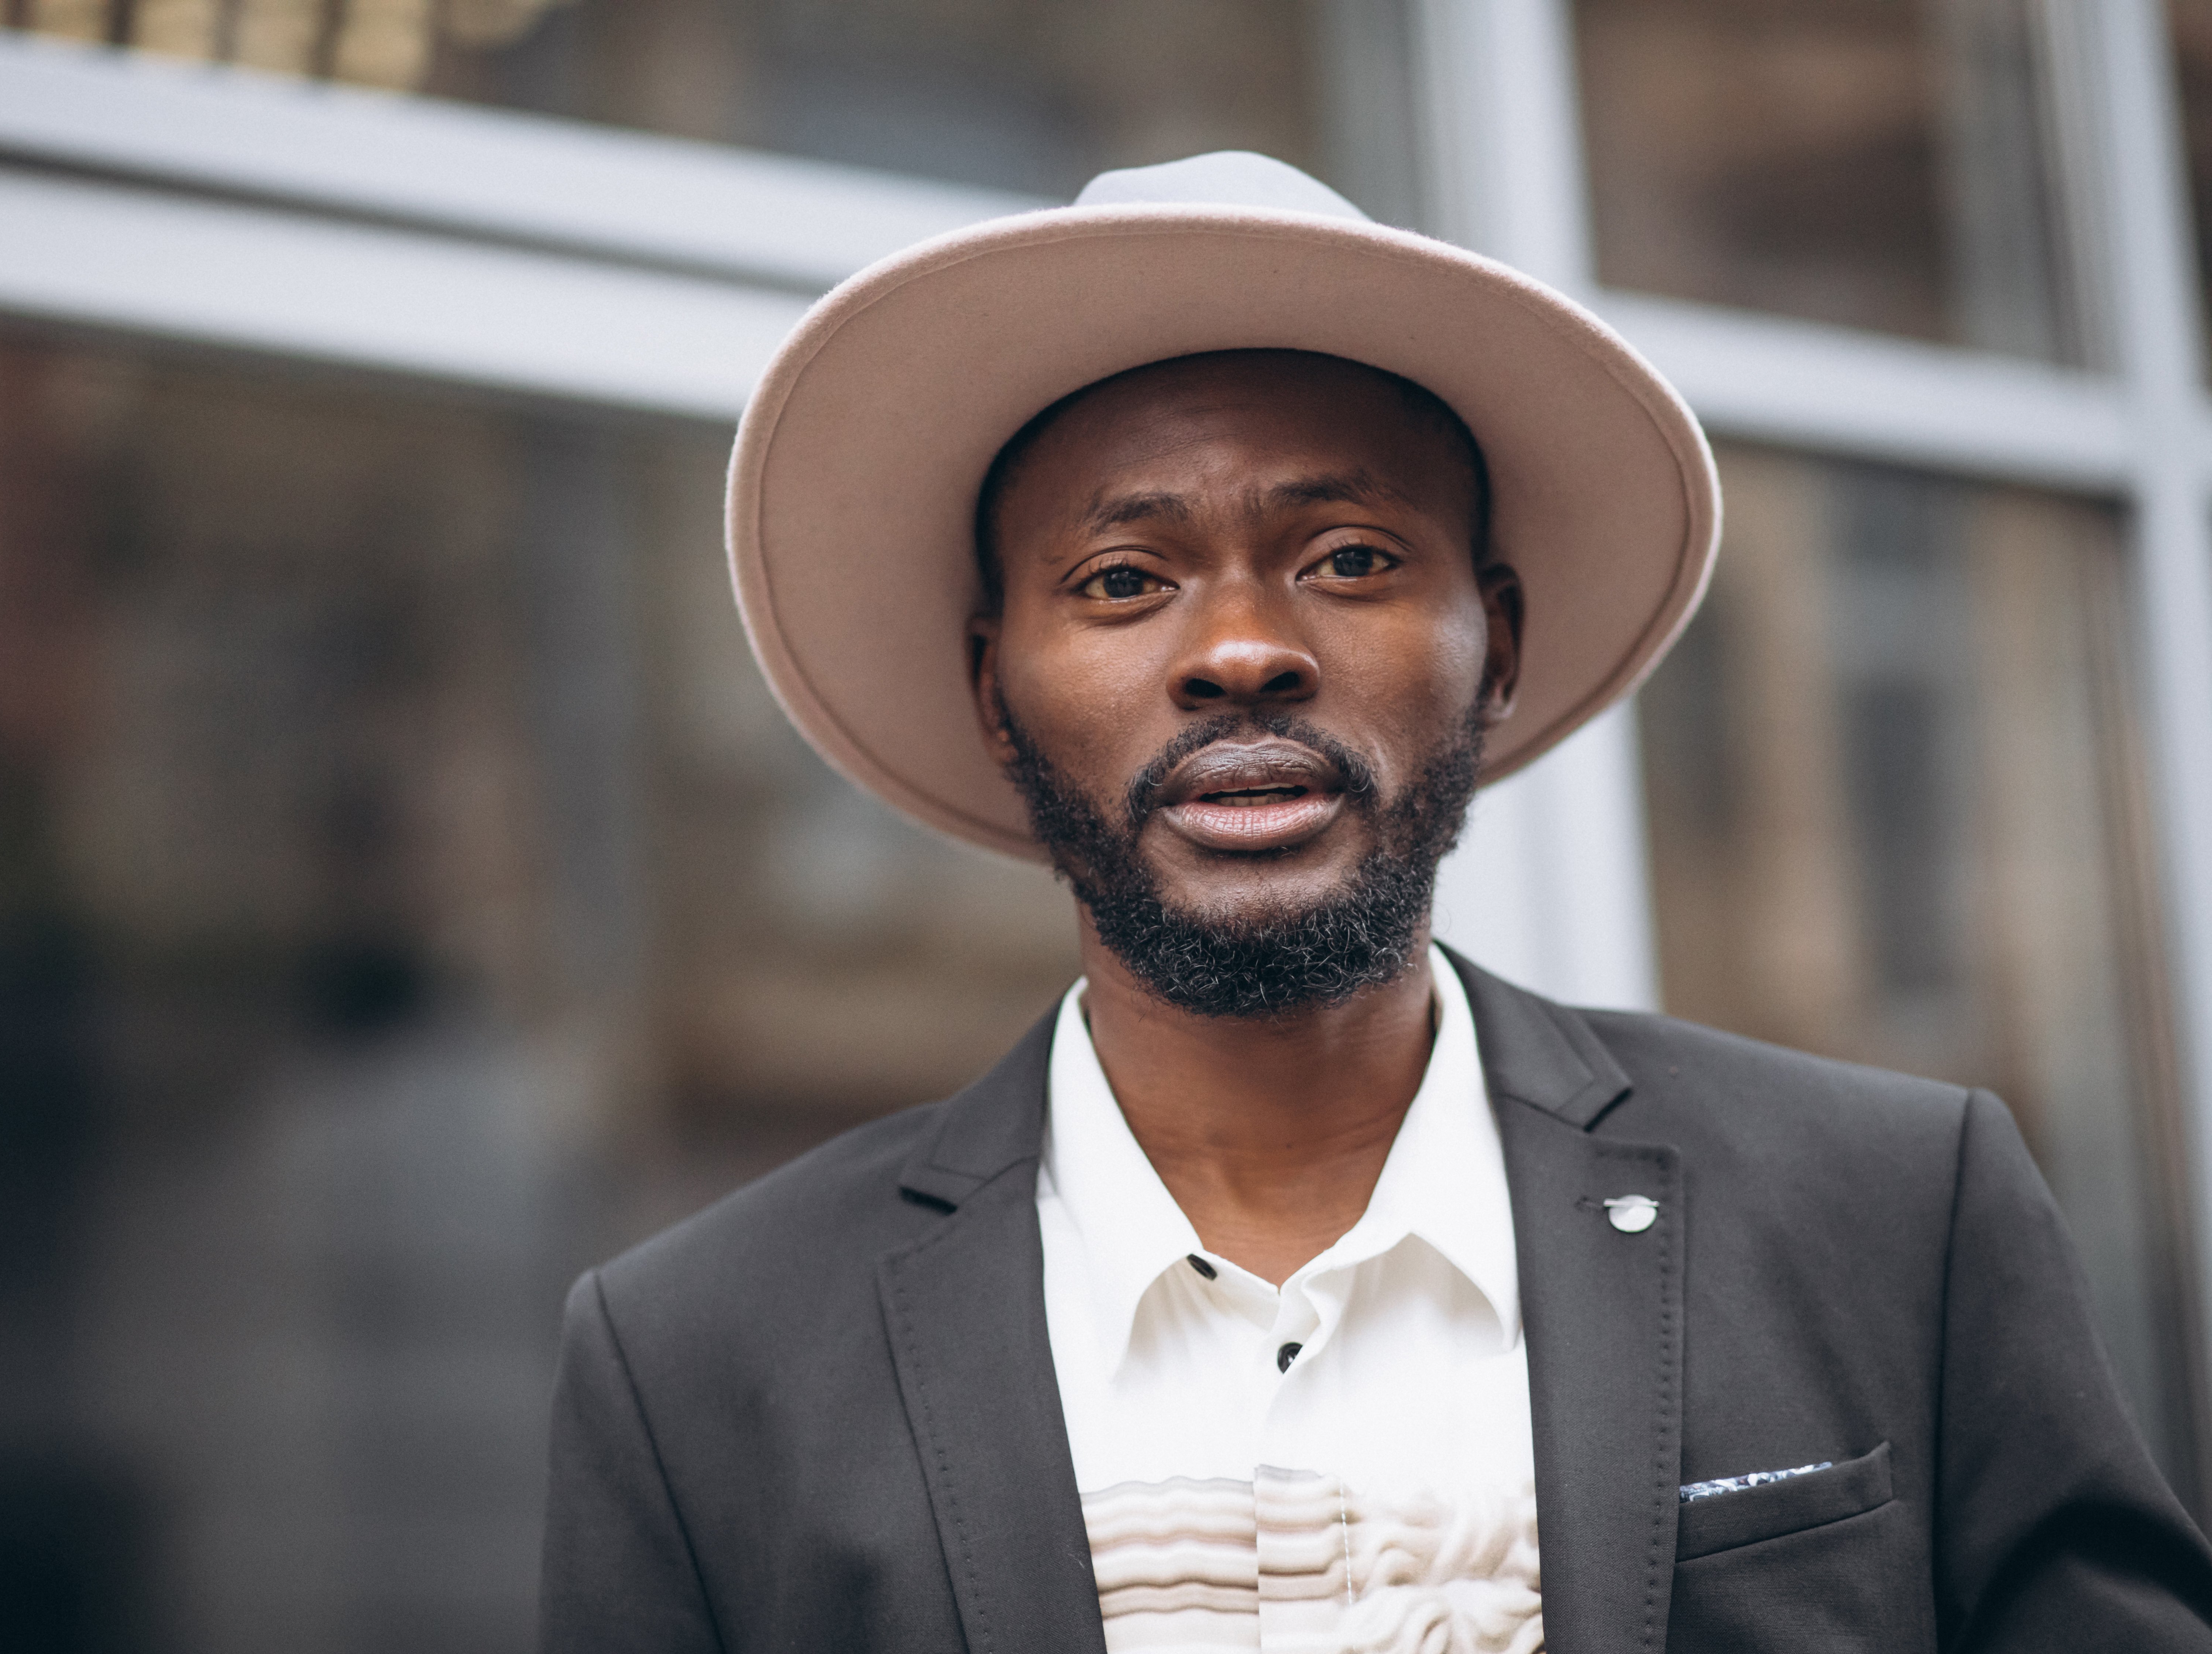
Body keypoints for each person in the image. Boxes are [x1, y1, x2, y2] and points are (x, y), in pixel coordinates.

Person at [539, 152, 2212, 1653]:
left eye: (1347, 559)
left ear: (1500, 645)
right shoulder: (701, 1360)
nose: (1242, 648)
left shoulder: (1893, 1215)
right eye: (1124, 582)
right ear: (994, 690)